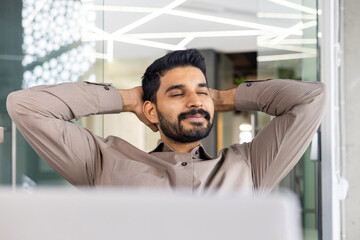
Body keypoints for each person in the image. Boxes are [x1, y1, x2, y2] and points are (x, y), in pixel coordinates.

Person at [6, 49, 327, 195]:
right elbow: (26, 106)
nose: (196, 101)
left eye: (202, 92)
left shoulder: (252, 167)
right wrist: (128, 98)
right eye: (177, 93)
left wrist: (224, 98)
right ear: (150, 111)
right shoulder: (101, 164)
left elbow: (311, 99)